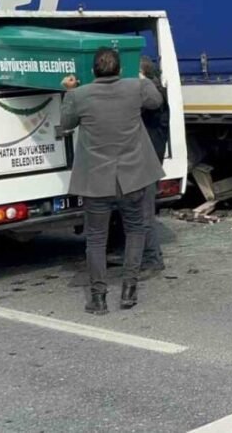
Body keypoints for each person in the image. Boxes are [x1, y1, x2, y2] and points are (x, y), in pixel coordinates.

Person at [61, 47, 164, 315]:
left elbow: (66, 123)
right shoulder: (135, 88)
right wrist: (140, 77)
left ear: (93, 71)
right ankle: (129, 289)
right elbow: (156, 101)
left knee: (95, 239)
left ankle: (98, 298)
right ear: (119, 69)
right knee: (135, 230)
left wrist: (69, 90)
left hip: (96, 181)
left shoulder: (79, 95)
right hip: (131, 178)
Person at [139, 56, 169, 275]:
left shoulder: (154, 99)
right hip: (147, 162)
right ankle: (145, 256)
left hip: (146, 164)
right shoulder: (155, 94)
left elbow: (152, 103)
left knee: (144, 214)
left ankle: (152, 259)